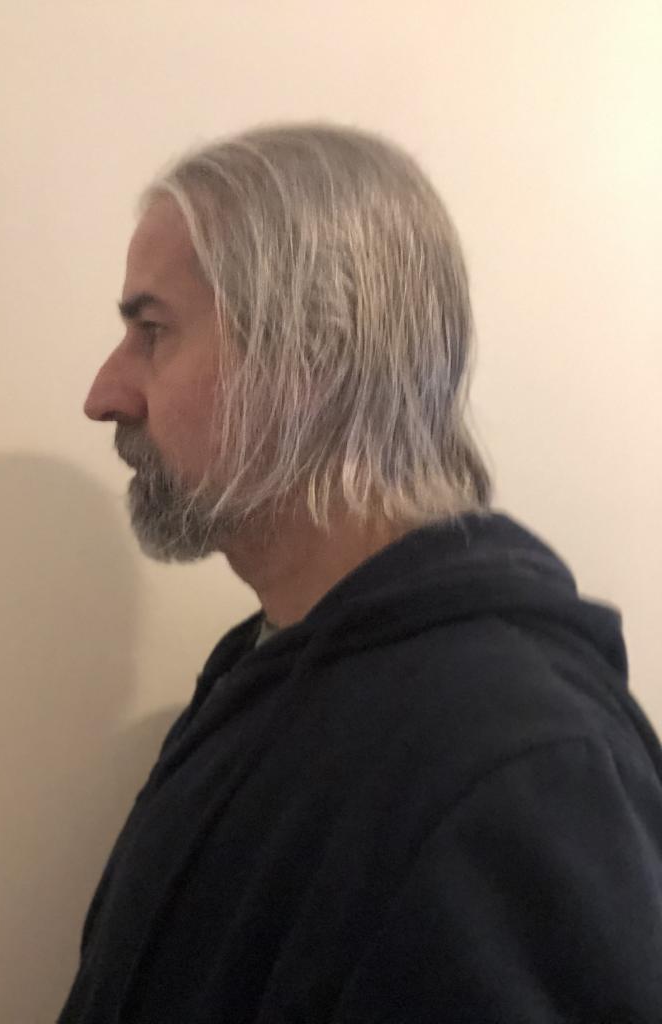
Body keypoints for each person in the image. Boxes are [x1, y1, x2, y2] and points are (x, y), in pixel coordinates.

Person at [59, 124, 662, 1023]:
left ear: (317, 354)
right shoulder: (262, 671)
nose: (105, 394)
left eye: (153, 332)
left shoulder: (520, 771)